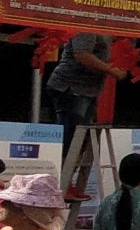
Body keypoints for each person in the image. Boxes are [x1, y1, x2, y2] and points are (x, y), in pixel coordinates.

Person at [44, 31, 124, 190]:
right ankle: (59, 184)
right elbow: (82, 55)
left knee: (81, 140)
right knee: (71, 139)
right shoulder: (88, 26)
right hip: (71, 87)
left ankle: (68, 182)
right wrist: (111, 70)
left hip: (87, 91)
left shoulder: (114, 33)